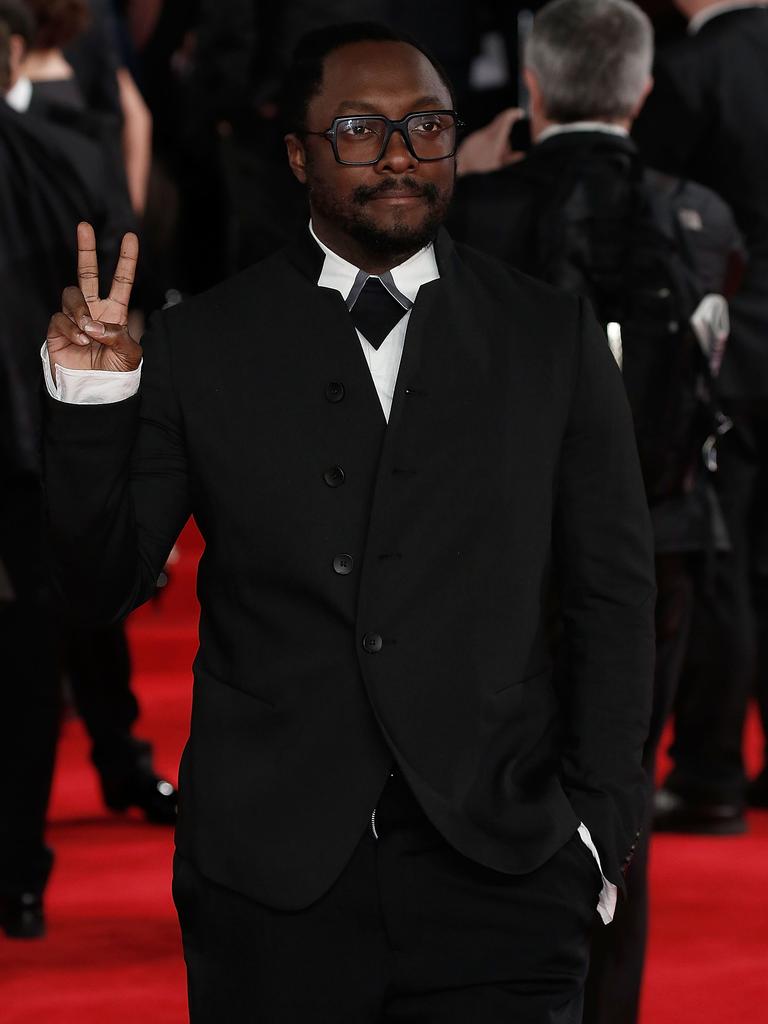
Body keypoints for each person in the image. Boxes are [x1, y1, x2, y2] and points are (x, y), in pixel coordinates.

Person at [41, 22, 655, 1021]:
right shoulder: (207, 344)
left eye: (428, 127)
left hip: (503, 873)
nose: (402, 154)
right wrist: (91, 402)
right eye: (362, 129)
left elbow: (614, 599)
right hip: (272, 885)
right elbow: (101, 582)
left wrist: (600, 823)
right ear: (298, 155)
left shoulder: (548, 336)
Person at [449, 0, 742, 1021]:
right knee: (620, 797)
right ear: (644, 92)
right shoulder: (700, 218)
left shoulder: (474, 212)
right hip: (662, 542)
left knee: (484, 777)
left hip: (503, 555)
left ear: (532, 87)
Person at [0, 0, 172, 940]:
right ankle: (19, 872)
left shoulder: (64, 146)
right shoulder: (71, 153)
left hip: (41, 435)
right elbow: (119, 264)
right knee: (38, 652)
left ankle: (29, 856)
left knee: (45, 649)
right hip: (43, 435)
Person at [632, 0, 768, 829]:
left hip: (733, 348)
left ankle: (713, 767)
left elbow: (657, 214)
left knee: (719, 561)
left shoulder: (690, 71)